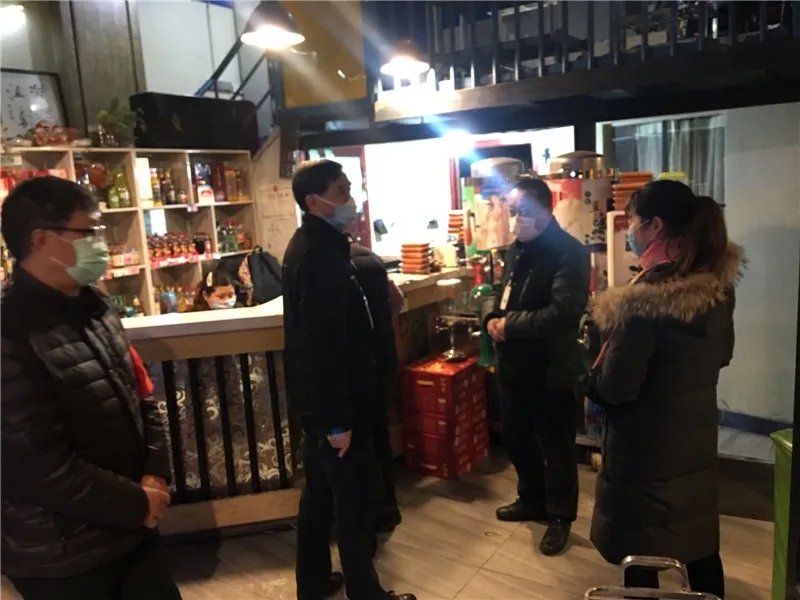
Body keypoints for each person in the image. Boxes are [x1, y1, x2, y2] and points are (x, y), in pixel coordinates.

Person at [0, 176, 181, 600]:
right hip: (63, 553)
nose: (101, 244)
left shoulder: (95, 305)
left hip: (132, 532)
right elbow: (36, 465)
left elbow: (141, 395)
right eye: (89, 232)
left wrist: (154, 475)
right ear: (42, 240)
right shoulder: (11, 332)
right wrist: (136, 503)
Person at [587, 181, 741, 598]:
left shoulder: (643, 300)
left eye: (632, 223)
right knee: (696, 539)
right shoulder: (715, 285)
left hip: (645, 449)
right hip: (694, 437)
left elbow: (617, 387)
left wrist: (589, 380)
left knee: (642, 547)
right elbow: (723, 354)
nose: (629, 233)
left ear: (654, 226)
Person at [282, 160, 415, 600]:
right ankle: (365, 593)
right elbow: (322, 347)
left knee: (319, 501)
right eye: (341, 191)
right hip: (337, 407)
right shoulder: (317, 257)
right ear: (313, 201)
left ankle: (313, 584)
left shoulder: (318, 244)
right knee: (353, 505)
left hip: (323, 406)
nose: (350, 199)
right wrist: (337, 420)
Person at [484, 177, 590, 556]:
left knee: (556, 445)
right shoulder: (517, 249)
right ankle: (531, 498)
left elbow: (563, 313)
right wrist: (490, 318)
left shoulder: (569, 252)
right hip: (513, 364)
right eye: (513, 211)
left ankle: (560, 516)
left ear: (547, 209)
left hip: (551, 367)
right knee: (516, 437)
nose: (517, 218)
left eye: (524, 211)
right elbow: (498, 292)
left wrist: (509, 325)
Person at [350, 240, 404, 534]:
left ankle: (369, 513)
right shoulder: (370, 259)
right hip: (383, 360)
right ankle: (387, 509)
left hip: (361, 367)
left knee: (362, 443)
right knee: (378, 436)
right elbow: (396, 300)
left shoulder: (343, 267)